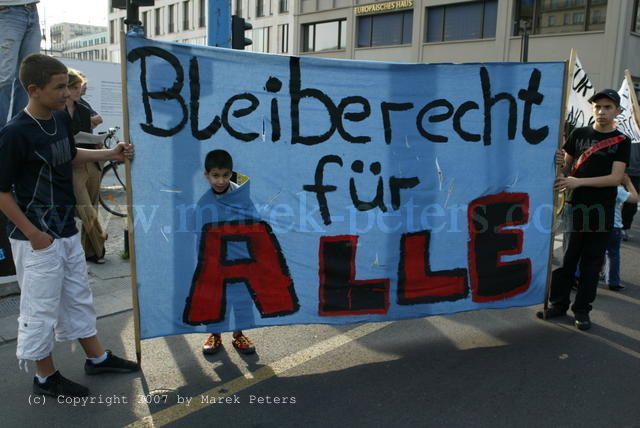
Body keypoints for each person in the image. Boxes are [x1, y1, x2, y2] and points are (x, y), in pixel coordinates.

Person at [0, 54, 139, 398]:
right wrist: (33, 234)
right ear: (34, 89)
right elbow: (1, 192)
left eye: (67, 85)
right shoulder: (14, 133)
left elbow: (69, 154)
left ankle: (97, 357)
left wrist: (111, 154)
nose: (67, 93)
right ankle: (45, 377)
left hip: (64, 228)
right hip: (36, 238)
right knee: (40, 306)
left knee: (78, 296)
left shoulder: (60, 120)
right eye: (59, 87)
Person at [538, 89, 630, 330]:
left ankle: (582, 310)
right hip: (573, 207)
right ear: (592, 109)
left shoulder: (622, 141)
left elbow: (615, 178)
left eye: (608, 107)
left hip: (601, 210)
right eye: (597, 106)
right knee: (567, 260)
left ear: (617, 111)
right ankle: (558, 304)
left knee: (591, 263)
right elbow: (566, 172)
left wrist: (578, 182)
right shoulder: (578, 134)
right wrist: (559, 163)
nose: (601, 111)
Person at [200, 149, 256, 355]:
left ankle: (239, 335)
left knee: (240, 296)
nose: (221, 180)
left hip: (239, 255)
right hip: (214, 258)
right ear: (206, 175)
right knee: (215, 297)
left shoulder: (241, 191)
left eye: (226, 175)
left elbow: (246, 181)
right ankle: (215, 334)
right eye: (215, 175)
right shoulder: (204, 202)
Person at [66, 69, 107, 264]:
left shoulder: (83, 108)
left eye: (79, 87)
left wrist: (97, 141)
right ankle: (101, 237)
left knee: (93, 207)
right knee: (86, 210)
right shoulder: (57, 109)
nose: (78, 90)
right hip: (72, 166)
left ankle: (93, 252)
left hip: (91, 160)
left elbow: (92, 125)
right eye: (74, 87)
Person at [0, 1, 41, 128]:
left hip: (32, 9)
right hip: (7, 11)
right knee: (4, 77)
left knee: (28, 78)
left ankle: (19, 130)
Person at [604, 174, 638, 291]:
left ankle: (585, 276)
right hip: (615, 227)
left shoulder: (601, 187)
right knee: (613, 254)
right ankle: (613, 281)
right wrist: (628, 182)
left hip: (599, 225)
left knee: (595, 252)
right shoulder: (618, 190)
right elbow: (635, 198)